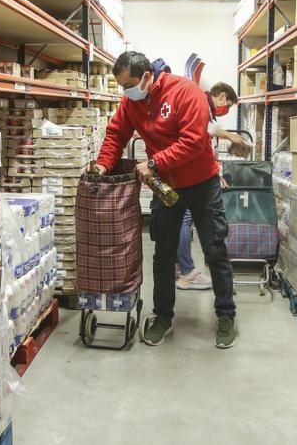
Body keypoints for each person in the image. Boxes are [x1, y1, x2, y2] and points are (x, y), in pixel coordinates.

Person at [92, 50, 238, 349]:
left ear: (147, 76)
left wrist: (156, 163)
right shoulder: (131, 101)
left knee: (215, 249)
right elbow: (116, 134)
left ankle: (226, 314)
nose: (125, 92)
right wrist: (102, 164)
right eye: (121, 87)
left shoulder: (185, 92)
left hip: (201, 183)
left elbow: (195, 141)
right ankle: (162, 315)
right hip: (165, 187)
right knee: (163, 254)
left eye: (128, 85)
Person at [176, 82, 251, 290]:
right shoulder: (201, 101)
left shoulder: (207, 106)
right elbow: (205, 130)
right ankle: (187, 272)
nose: (226, 109)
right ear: (222, 96)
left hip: (193, 171)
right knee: (185, 219)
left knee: (184, 219)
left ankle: (182, 268)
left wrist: (215, 174)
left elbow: (206, 144)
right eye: (227, 104)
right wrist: (230, 136)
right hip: (187, 173)